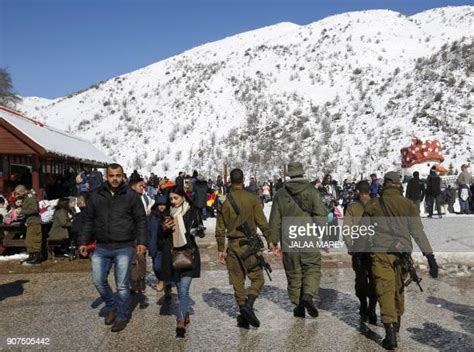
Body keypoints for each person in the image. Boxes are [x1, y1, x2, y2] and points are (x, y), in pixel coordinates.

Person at [365, 171, 438, 350]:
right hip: (402, 255)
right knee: (398, 288)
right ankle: (396, 320)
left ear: (385, 184)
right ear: (399, 185)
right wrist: (430, 257)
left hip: (380, 254)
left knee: (385, 289)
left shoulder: (373, 204)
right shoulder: (408, 205)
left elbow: (363, 231)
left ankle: (390, 332)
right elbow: (418, 233)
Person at [78, 163, 147, 332]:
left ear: (122, 176)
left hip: (124, 245)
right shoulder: (96, 195)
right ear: (106, 176)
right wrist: (83, 242)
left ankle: (122, 316)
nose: (115, 179)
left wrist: (142, 242)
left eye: (118, 175)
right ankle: (111, 305)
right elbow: (88, 221)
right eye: (111, 175)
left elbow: (141, 220)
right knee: (98, 280)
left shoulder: (131, 195)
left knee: (122, 285)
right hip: (101, 245)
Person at [215, 168, 275, 328]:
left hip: (233, 246)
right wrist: (270, 240)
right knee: (258, 278)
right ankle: (248, 306)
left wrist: (220, 248)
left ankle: (243, 312)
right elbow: (262, 222)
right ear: (243, 181)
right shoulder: (252, 198)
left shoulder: (223, 201)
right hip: (250, 246)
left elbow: (220, 228)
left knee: (237, 281)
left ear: (230, 182)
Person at [269, 161, 328, 318]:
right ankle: (308, 295)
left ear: (289, 175)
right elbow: (321, 215)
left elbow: (275, 220)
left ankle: (298, 305)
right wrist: (316, 230)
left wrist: (273, 241)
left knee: (294, 270)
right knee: (312, 267)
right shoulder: (312, 191)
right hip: (308, 235)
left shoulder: (280, 194)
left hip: (289, 238)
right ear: (302, 173)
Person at [161, 186, 203, 338]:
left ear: (183, 197)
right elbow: (161, 236)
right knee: (179, 288)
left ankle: (180, 320)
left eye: (176, 198)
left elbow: (201, 231)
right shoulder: (167, 213)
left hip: (189, 254)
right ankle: (184, 312)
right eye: (171, 199)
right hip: (173, 256)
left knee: (184, 288)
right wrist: (165, 228)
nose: (173, 201)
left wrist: (196, 230)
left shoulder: (193, 211)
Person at [343, 181, 377, 324]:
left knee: (360, 277)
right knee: (375, 278)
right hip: (375, 248)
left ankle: (363, 304)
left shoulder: (352, 207)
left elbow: (346, 229)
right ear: (369, 191)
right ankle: (372, 308)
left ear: (357, 191)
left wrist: (350, 245)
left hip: (358, 248)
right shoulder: (378, 205)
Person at [129, 174, 154, 294]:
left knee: (142, 257)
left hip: (143, 231)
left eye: (143, 186)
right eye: (140, 185)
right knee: (133, 258)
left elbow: (152, 202)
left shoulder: (144, 197)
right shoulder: (127, 198)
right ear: (133, 186)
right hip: (130, 232)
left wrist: (149, 209)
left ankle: (141, 279)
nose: (143, 187)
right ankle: (134, 281)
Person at [149, 195, 172, 296]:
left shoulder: (170, 215)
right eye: (160, 204)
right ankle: (161, 279)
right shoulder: (152, 216)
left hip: (167, 245)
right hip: (156, 245)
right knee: (157, 267)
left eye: (163, 204)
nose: (162, 206)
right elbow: (149, 231)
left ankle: (167, 286)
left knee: (167, 267)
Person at [14, 185, 42, 264]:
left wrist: (22, 211)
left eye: (18, 193)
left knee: (35, 239)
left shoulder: (30, 197)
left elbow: (34, 209)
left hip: (34, 221)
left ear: (23, 191)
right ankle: (31, 256)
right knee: (29, 240)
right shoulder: (26, 197)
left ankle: (37, 257)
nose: (17, 195)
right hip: (30, 221)